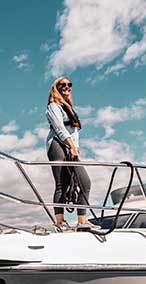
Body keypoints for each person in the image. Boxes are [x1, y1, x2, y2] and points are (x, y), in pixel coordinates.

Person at [46, 76, 92, 230]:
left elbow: (74, 132)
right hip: (57, 144)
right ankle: (60, 223)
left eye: (69, 84)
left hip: (70, 145)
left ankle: (82, 222)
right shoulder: (53, 106)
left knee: (85, 182)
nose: (67, 87)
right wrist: (71, 145)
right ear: (56, 87)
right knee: (61, 184)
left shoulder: (69, 108)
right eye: (62, 84)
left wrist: (76, 147)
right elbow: (59, 128)